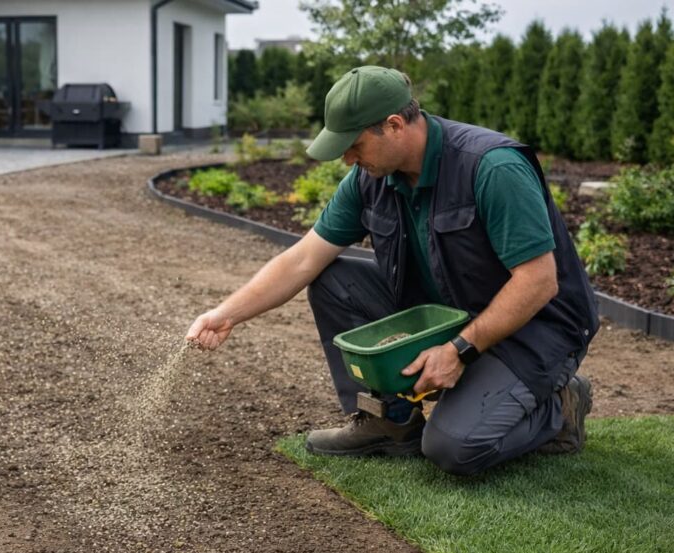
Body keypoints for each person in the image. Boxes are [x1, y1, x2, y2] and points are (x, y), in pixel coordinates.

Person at [185, 66, 598, 476]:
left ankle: (559, 410)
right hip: (449, 309)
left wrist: (458, 350)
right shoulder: (371, 178)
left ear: (394, 125)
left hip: (537, 326)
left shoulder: (491, 168)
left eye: (354, 145)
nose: (348, 159)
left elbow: (538, 282)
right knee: (333, 279)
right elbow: (303, 259)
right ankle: (390, 421)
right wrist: (226, 314)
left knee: (451, 448)